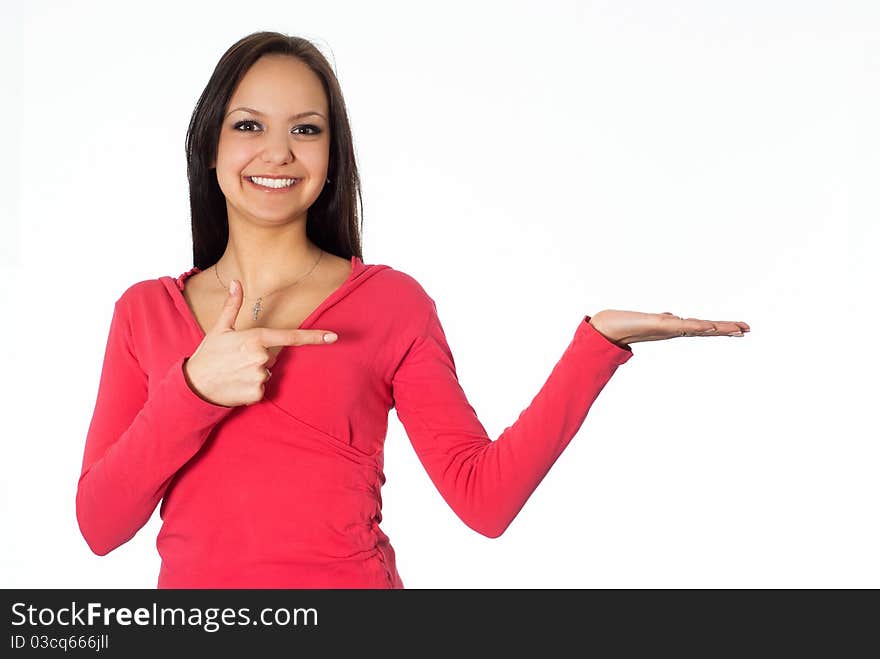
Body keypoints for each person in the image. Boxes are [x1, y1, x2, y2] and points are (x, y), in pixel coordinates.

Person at [75, 31, 750, 589]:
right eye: (248, 125)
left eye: (305, 130)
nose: (277, 152)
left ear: (332, 155)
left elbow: (483, 499)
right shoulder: (144, 312)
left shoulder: (391, 305)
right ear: (210, 145)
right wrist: (194, 388)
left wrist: (597, 344)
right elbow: (99, 525)